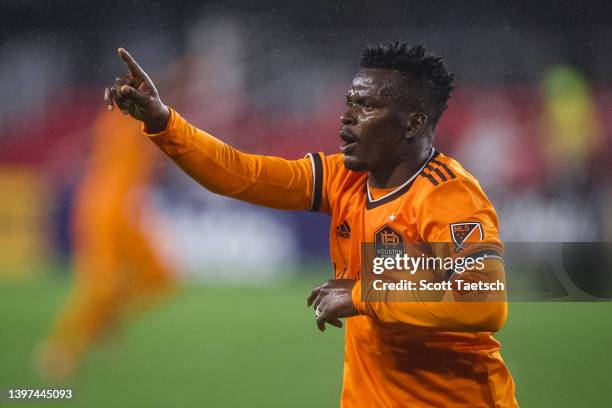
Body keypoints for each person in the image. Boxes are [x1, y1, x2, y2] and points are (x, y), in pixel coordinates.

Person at [105, 42, 517, 407]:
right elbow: (241, 173)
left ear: (412, 124)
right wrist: (163, 122)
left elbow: (483, 300)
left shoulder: (447, 197)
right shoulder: (345, 178)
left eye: (367, 106)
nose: (347, 118)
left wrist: (362, 295)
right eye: (350, 102)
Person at [35, 107, 174, 381]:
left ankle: (104, 320)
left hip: (127, 206)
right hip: (105, 206)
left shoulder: (133, 116)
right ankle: (60, 349)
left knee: (160, 277)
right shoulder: (126, 117)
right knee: (101, 282)